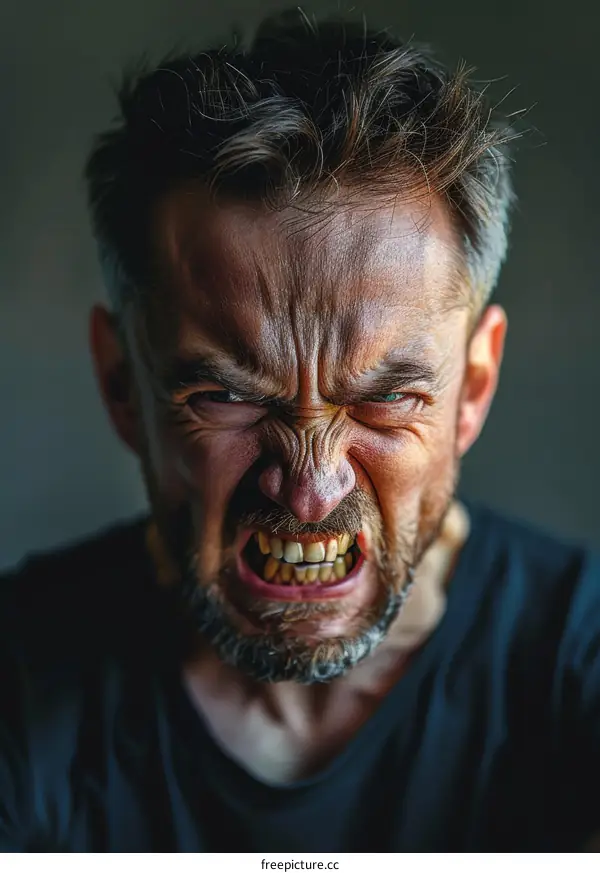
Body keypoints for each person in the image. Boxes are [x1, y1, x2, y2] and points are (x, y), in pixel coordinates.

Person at [1, 7, 599, 853]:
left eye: (385, 398)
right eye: (227, 395)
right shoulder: (21, 673)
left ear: (472, 387)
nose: (311, 488)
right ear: (121, 384)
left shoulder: (580, 658)